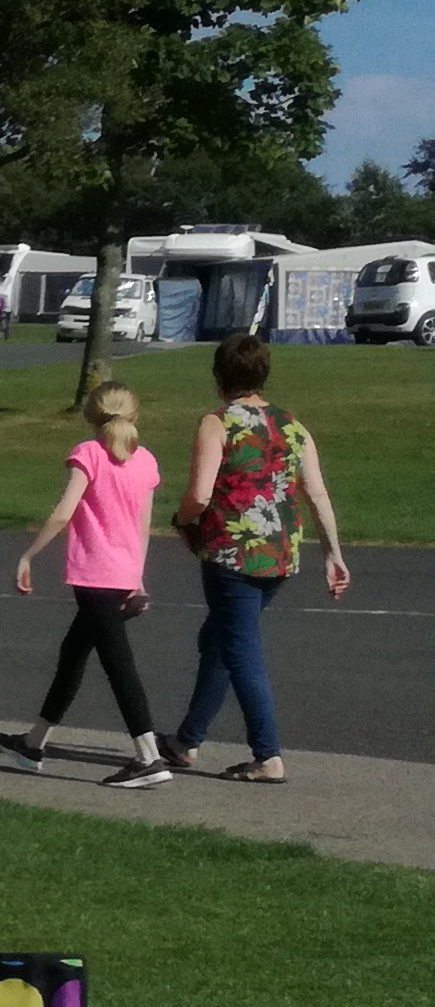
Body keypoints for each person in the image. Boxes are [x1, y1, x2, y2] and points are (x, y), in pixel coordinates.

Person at [161, 334, 350, 784]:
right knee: (220, 639)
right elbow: (316, 492)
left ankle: (267, 755)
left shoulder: (217, 423)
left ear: (219, 376)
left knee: (240, 650)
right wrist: (333, 554)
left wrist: (181, 519)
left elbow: (200, 494)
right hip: (281, 553)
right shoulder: (292, 426)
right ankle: (187, 738)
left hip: (233, 554)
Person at [0, 383, 168, 788]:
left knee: (118, 664)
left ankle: (149, 757)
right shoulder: (145, 460)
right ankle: (33, 744)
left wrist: (28, 555)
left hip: (95, 579)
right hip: (121, 576)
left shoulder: (88, 454)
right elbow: (142, 527)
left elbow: (63, 513)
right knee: (73, 653)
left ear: (92, 416)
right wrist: (137, 578)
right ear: (135, 415)